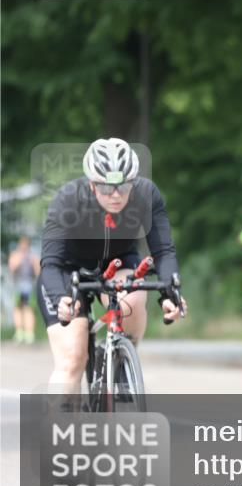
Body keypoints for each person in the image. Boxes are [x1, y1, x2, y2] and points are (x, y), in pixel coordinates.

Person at [37, 138, 186, 397]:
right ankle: (59, 431)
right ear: (92, 184)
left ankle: (123, 358)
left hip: (117, 262)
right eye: (106, 188)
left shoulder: (146, 195)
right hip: (67, 269)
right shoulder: (68, 200)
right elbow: (50, 263)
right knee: (72, 358)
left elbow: (163, 252)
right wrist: (60, 298)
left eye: (123, 186)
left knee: (134, 300)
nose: (116, 195)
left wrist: (171, 294)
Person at [8, 236, 40, 343]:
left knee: (29, 309)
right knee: (18, 309)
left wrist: (34, 264)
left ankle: (29, 333)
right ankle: (19, 332)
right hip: (18, 285)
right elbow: (11, 268)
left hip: (29, 285)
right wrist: (19, 260)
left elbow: (38, 272)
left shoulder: (32, 256)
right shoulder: (15, 255)